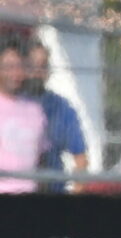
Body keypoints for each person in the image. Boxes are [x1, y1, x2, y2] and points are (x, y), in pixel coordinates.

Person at [25, 41, 87, 192]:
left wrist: (73, 200)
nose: (38, 71)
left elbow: (81, 160)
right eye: (33, 65)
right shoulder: (9, 104)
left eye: (43, 65)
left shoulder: (61, 107)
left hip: (53, 196)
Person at [0, 42, 47, 194]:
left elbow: (41, 159)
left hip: (29, 198)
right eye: (9, 67)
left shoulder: (36, 111)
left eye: (20, 67)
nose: (15, 73)